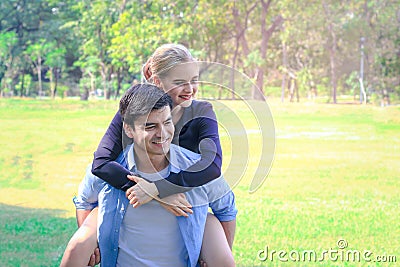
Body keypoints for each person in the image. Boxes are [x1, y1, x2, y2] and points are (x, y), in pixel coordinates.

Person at [61, 44, 236, 266]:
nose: (190, 88)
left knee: (213, 231)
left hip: (188, 202)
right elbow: (102, 163)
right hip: (135, 199)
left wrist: (160, 188)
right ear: (155, 80)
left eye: (194, 79)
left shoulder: (201, 112)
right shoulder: (135, 111)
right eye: (180, 82)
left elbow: (212, 167)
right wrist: (151, 191)